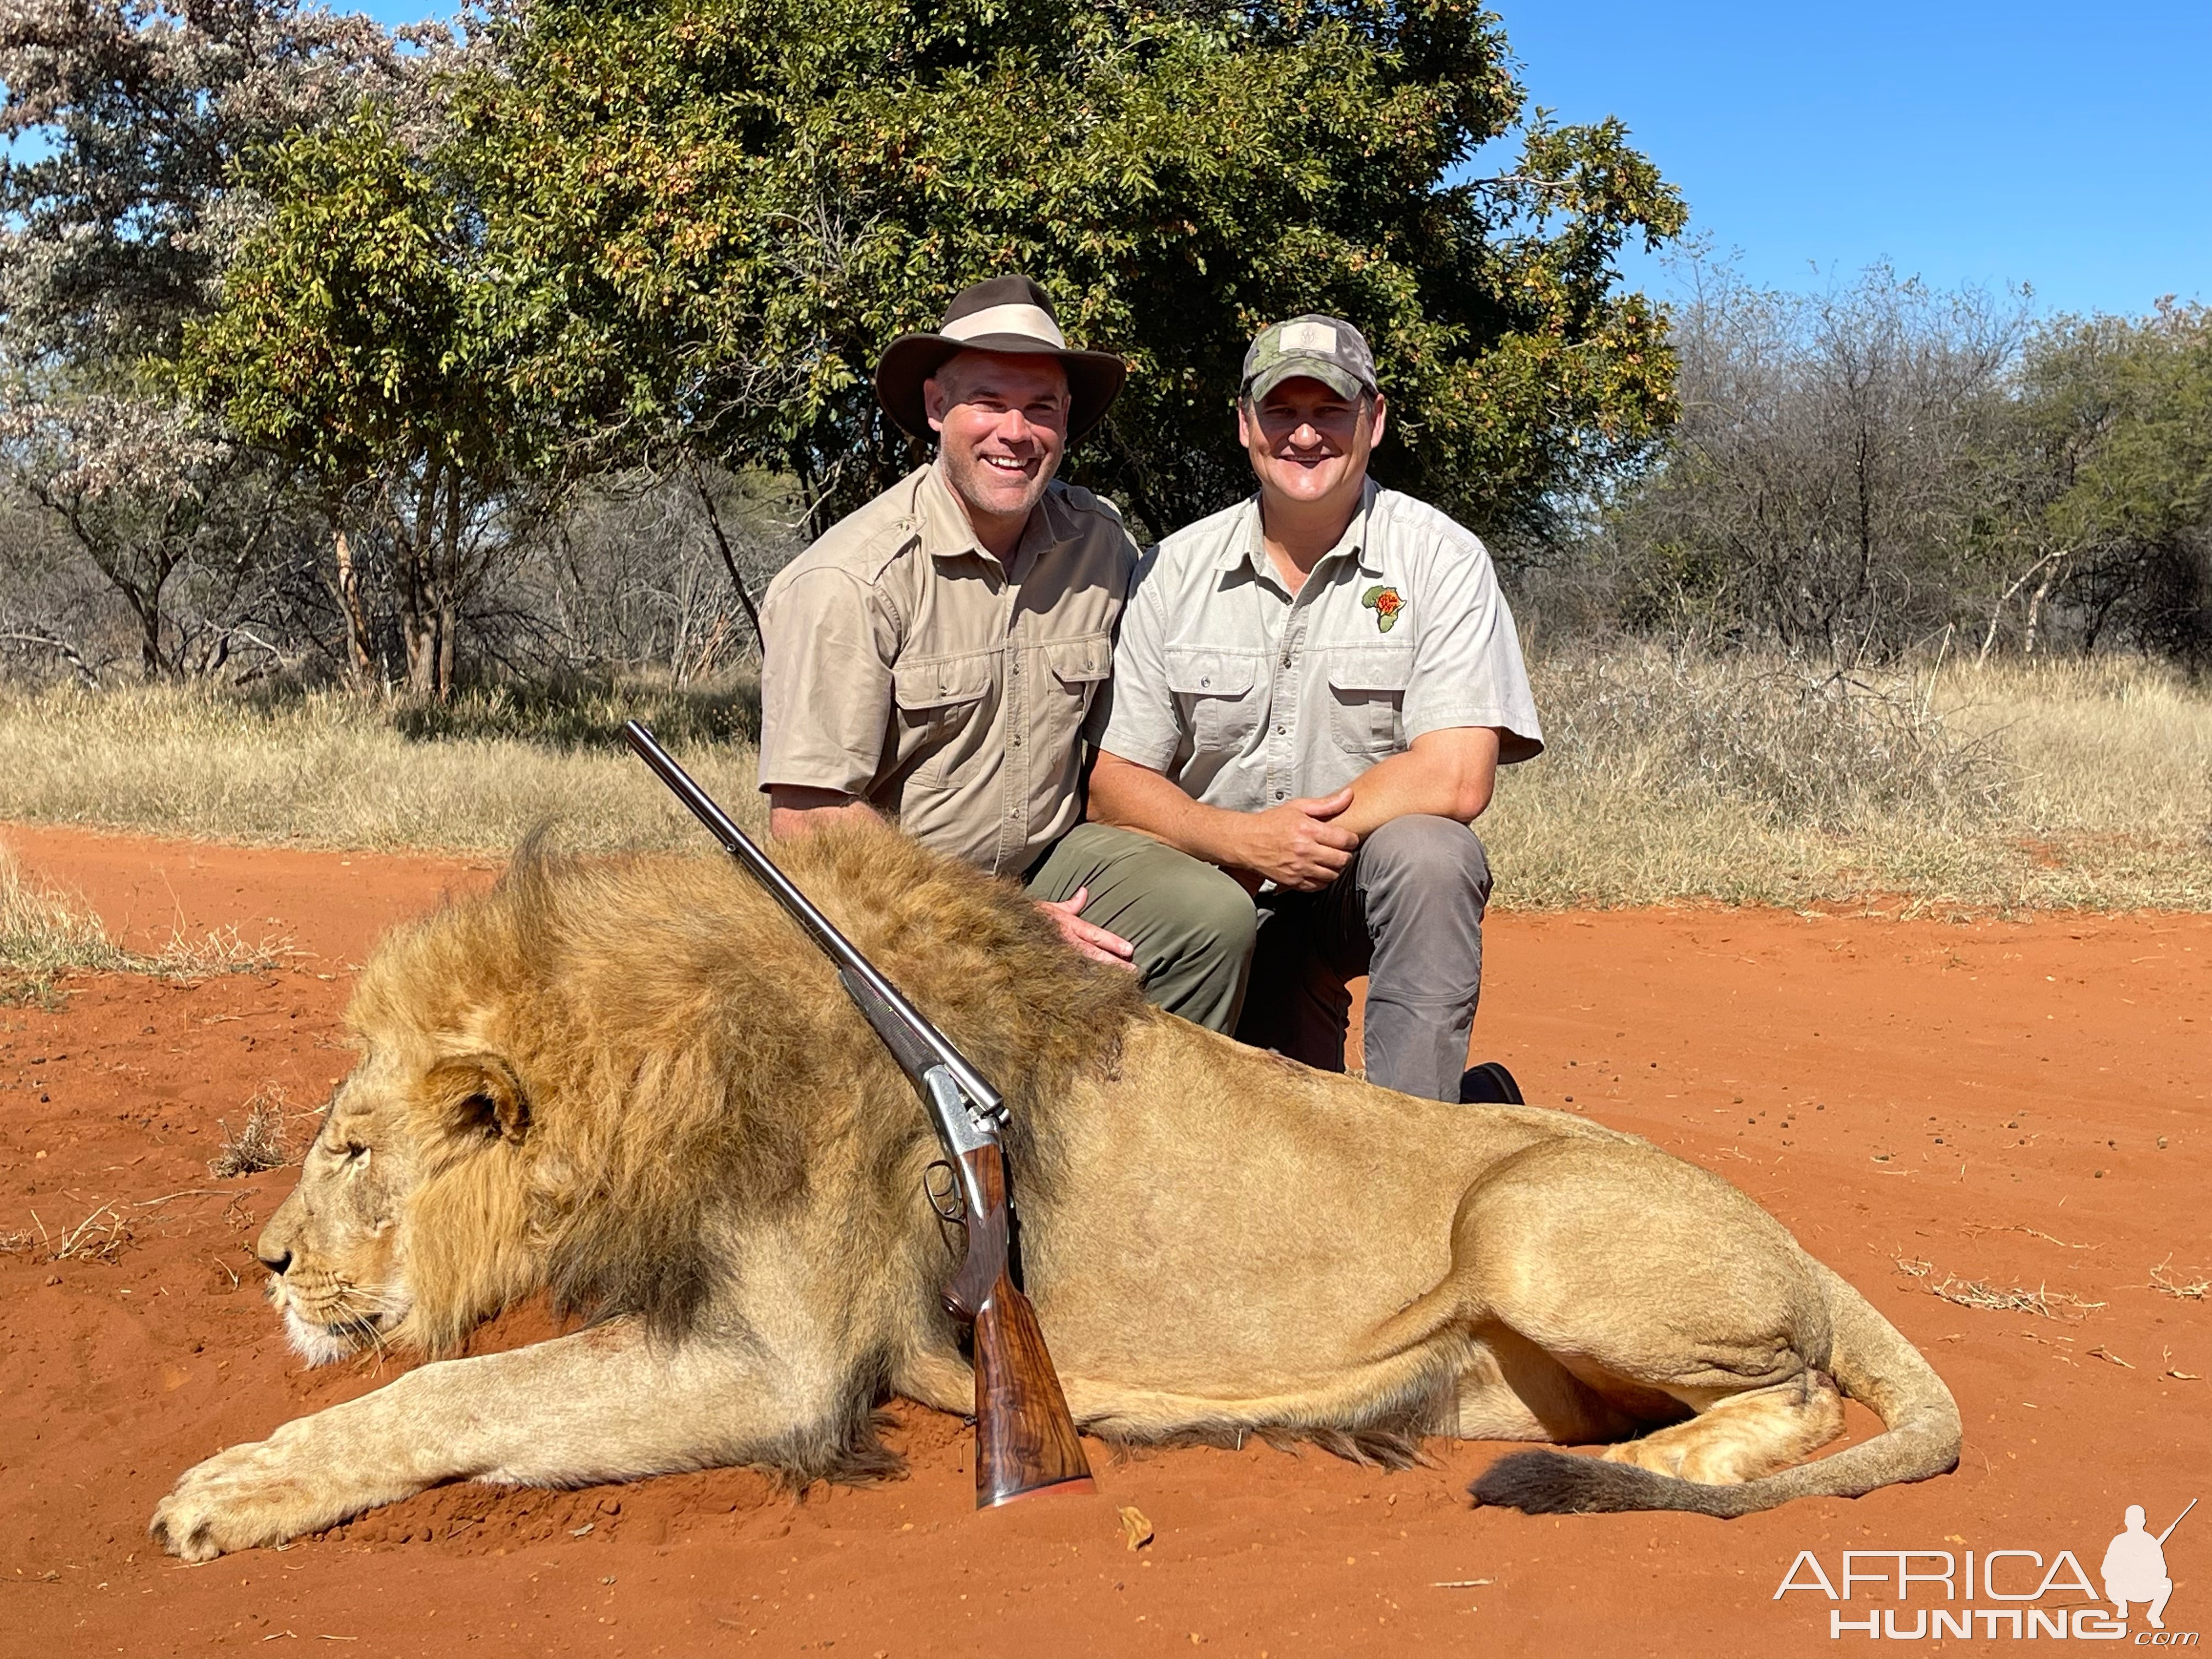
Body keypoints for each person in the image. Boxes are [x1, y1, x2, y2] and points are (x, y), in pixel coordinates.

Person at [757, 274, 1256, 1030]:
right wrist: (1003, 921)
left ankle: (1135, 1136)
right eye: (988, 401)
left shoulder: (1100, 542)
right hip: (893, 899)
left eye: (1041, 408)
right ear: (935, 408)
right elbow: (809, 819)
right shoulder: (848, 581)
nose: (1015, 433)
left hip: (1054, 865)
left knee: (1210, 915)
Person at [1087, 314, 1543, 1102]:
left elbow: (1459, 777)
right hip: (1214, 895)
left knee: (1434, 856)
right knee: (1269, 1119)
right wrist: (1244, 842)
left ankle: (1419, 1141)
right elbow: (1112, 782)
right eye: (1281, 411)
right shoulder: (1171, 569)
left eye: (1329, 411)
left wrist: (1296, 839)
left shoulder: (1441, 558)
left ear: (1375, 418)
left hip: (1344, 890)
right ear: (1244, 424)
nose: (1304, 436)